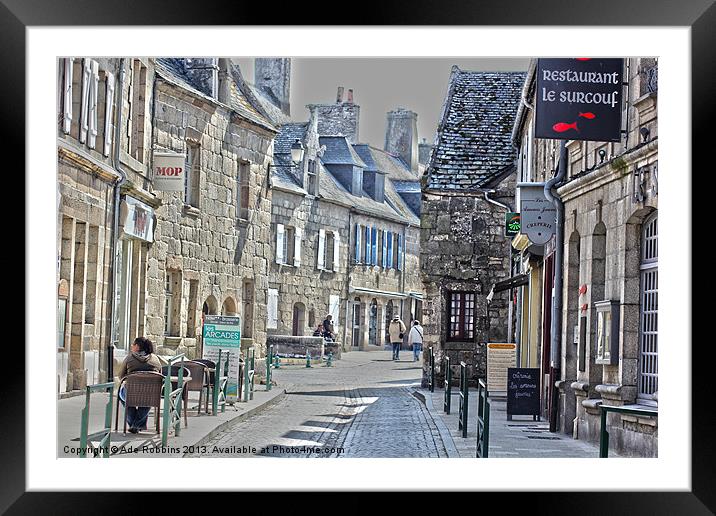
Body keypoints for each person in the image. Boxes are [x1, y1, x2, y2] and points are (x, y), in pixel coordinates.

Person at [117, 336, 162, 434]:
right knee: (148, 400)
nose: (131, 346)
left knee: (121, 396)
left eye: (133, 344)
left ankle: (134, 424)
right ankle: (137, 424)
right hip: (150, 395)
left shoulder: (129, 358)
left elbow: (121, 376)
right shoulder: (155, 359)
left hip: (131, 394)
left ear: (137, 346)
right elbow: (160, 374)